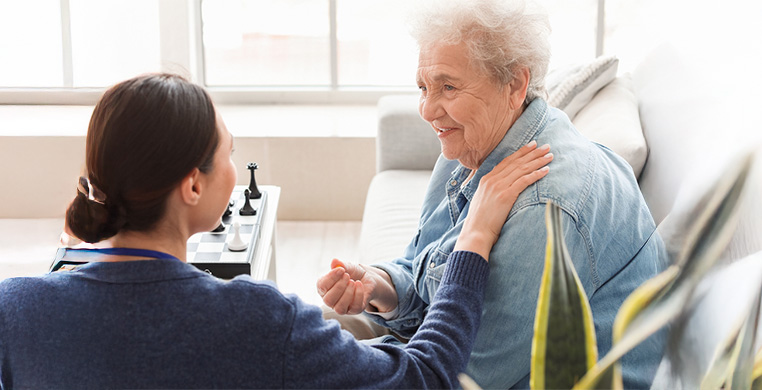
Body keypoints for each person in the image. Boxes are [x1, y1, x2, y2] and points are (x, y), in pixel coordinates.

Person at [0, 73, 553, 389]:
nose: (234, 169)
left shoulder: (14, 309)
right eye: (228, 155)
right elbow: (423, 378)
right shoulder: (260, 321)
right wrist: (473, 239)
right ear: (193, 185)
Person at [317, 0, 667, 388]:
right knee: (314, 330)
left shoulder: (544, 208)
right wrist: (381, 286)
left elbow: (460, 378)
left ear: (515, 84)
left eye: (448, 87)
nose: (428, 109)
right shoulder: (470, 146)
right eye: (423, 87)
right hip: (461, 359)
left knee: (313, 359)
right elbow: (425, 269)